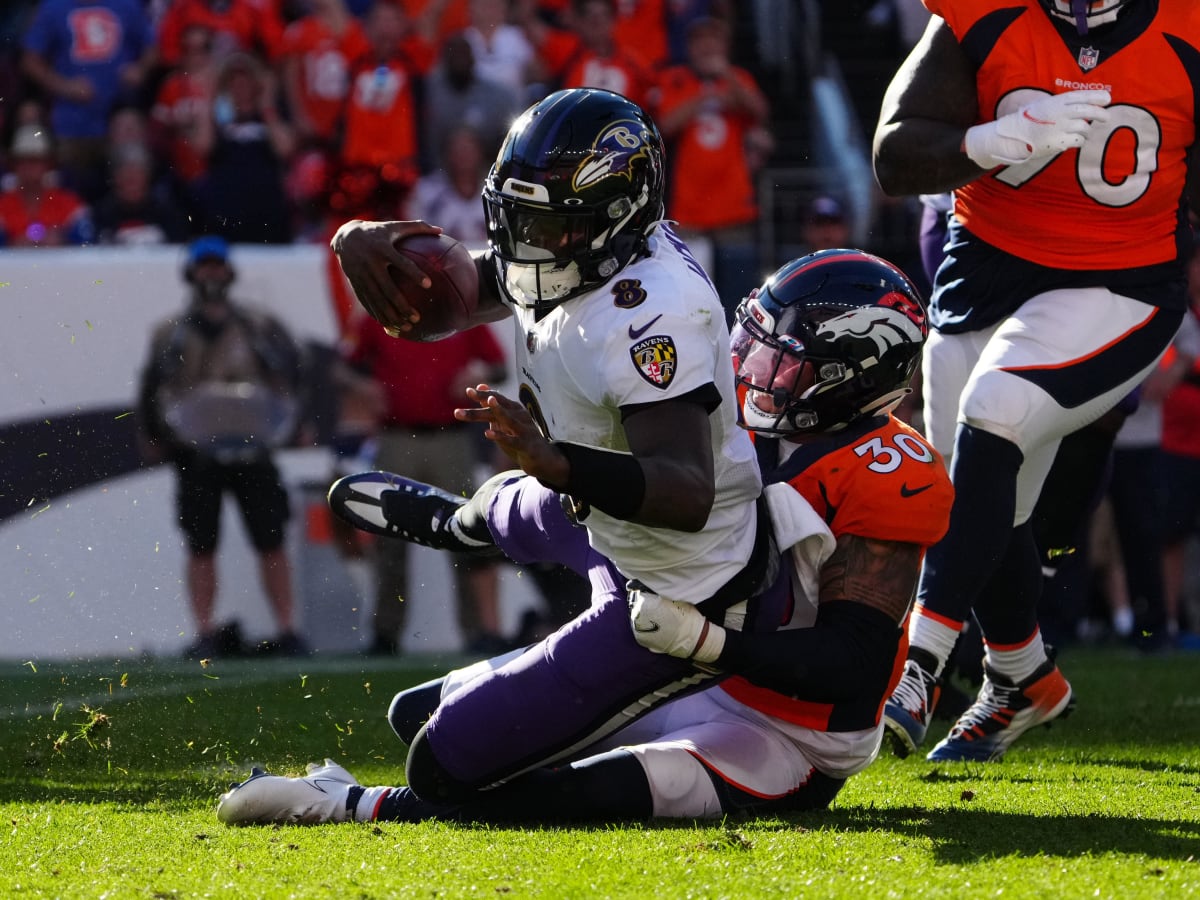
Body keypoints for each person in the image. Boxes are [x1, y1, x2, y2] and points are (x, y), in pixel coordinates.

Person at [214, 248, 955, 826]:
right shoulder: (741, 416)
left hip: (785, 733)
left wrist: (709, 646)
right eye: (755, 344)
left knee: (571, 794)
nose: (753, 370)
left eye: (782, 360)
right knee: (417, 715)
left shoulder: (887, 471)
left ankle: (346, 803)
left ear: (854, 375)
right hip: (694, 657)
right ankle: (467, 523)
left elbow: (853, 670)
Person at [318, 87, 770, 801]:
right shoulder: (582, 252)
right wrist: (362, 238)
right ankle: (464, 524)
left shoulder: (651, 312)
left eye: (542, 224)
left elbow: (685, 492)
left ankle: (676, 707)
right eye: (514, 217)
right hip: (602, 523)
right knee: (413, 713)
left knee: (442, 761)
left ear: (611, 219)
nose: (517, 242)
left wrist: (557, 464)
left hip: (676, 585)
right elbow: (460, 296)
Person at [872, 0, 1193, 762]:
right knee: (974, 502)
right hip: (983, 276)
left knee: (997, 411)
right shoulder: (985, 15)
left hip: (1119, 282)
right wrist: (986, 141)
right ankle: (1023, 677)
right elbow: (895, 155)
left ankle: (917, 663)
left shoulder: (1186, 27)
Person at [136, 236, 307, 659]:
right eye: (203, 267)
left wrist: (296, 424)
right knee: (200, 546)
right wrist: (154, 436)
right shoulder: (168, 333)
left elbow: (294, 375)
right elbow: (150, 390)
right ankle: (205, 632)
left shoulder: (258, 325)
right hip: (195, 455)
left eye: (217, 267)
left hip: (255, 448)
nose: (211, 275)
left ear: (229, 273)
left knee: (271, 541)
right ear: (191, 274)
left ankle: (287, 629)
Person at [337, 312, 511, 657]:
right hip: (396, 435)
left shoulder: (462, 313)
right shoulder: (378, 314)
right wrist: (364, 387)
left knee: (466, 533)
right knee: (389, 540)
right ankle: (385, 633)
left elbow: (499, 367)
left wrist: (480, 375)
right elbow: (342, 366)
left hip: (451, 437)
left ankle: (478, 631)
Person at [653, 15, 770, 322]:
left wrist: (725, 76)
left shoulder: (738, 78)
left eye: (713, 39)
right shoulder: (674, 79)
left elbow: (759, 111)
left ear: (725, 45)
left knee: (740, 297)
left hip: (733, 207)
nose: (707, 46)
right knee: (690, 301)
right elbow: (665, 124)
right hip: (689, 209)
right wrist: (704, 96)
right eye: (700, 40)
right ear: (689, 46)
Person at [19, 0, 155, 203]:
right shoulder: (53, 8)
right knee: (71, 191)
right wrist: (64, 86)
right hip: (71, 124)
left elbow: (153, 47)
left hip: (117, 122)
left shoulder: (126, 5)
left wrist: (140, 70)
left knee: (129, 182)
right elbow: (30, 61)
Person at [0, 124, 94, 247]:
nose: (28, 168)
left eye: (34, 161)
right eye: (22, 161)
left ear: (48, 164)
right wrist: (11, 245)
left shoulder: (68, 204)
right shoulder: (3, 206)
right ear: (13, 165)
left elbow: (88, 245)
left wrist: (64, 240)